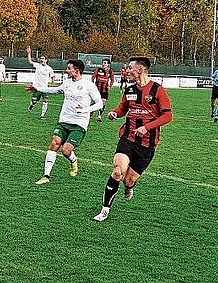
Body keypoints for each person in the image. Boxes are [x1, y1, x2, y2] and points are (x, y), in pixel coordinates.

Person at [93, 56, 173, 222]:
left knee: (128, 180)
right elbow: (122, 109)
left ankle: (129, 187)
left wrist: (146, 127)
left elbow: (168, 116)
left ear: (140, 70)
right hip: (127, 137)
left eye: (130, 68)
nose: (127, 71)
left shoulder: (158, 90)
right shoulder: (129, 90)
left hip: (147, 144)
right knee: (117, 171)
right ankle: (104, 210)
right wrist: (115, 113)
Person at [28, 59, 103, 184]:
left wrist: (86, 109)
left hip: (79, 124)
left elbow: (99, 103)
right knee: (54, 143)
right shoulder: (67, 83)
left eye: (69, 68)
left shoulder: (88, 85)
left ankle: (73, 161)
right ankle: (46, 175)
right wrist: (38, 88)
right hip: (64, 120)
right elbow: (55, 90)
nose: (67, 70)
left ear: (77, 70)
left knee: (66, 151)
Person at [26, 46, 55, 119]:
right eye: (41, 58)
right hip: (36, 87)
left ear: (46, 60)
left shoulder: (49, 68)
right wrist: (29, 53)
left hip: (45, 88)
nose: (41, 60)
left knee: (45, 100)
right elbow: (30, 62)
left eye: (43, 58)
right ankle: (31, 105)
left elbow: (53, 76)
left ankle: (42, 115)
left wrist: (51, 83)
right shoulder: (37, 66)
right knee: (34, 101)